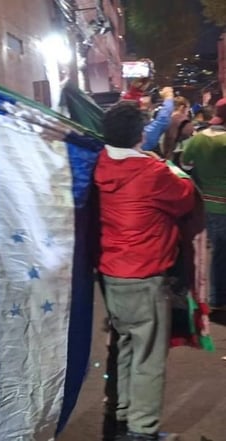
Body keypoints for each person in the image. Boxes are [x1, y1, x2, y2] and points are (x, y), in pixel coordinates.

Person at [95, 101, 196, 441]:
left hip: (112, 272)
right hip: (145, 272)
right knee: (149, 357)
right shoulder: (151, 173)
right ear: (141, 134)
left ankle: (124, 417)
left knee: (125, 346)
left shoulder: (102, 163)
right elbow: (184, 197)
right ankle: (143, 429)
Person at [181, 98, 226, 311]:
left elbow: (186, 165)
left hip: (207, 203)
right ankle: (218, 296)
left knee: (218, 251)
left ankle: (217, 296)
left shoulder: (198, 139)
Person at [161, 96, 194, 162]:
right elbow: (191, 140)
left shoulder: (164, 120)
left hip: (166, 158)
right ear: (181, 107)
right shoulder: (183, 121)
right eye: (188, 108)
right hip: (178, 159)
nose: (188, 112)